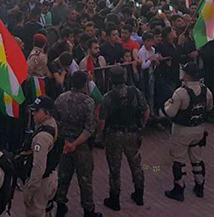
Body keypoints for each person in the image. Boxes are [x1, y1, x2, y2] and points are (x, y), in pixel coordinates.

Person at [100, 66, 149, 209]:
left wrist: (100, 135)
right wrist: (141, 126)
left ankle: (114, 199)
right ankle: (139, 194)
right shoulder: (135, 92)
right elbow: (146, 110)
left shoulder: (107, 97)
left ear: (110, 79)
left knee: (115, 168)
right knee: (136, 164)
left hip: (114, 134)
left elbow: (102, 119)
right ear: (125, 77)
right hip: (132, 132)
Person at [163, 62, 213, 201]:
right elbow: (209, 107)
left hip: (182, 131)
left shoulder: (180, 93)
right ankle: (200, 186)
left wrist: (166, 104)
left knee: (179, 160)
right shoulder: (206, 91)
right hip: (198, 129)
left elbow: (171, 112)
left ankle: (179, 189)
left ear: (187, 75)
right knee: (197, 159)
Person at [54, 70, 99, 217]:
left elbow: (56, 122)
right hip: (81, 145)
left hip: (65, 144)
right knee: (85, 178)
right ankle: (88, 210)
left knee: (63, 175)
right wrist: (75, 143)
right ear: (85, 84)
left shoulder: (61, 98)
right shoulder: (88, 102)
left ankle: (60, 205)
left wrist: (66, 141)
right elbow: (90, 128)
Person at [23, 97, 61, 217]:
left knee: (35, 212)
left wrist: (31, 189)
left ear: (46, 113)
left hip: (41, 182)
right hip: (50, 175)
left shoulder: (42, 137)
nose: (33, 113)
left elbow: (39, 166)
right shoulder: (52, 124)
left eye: (36, 111)